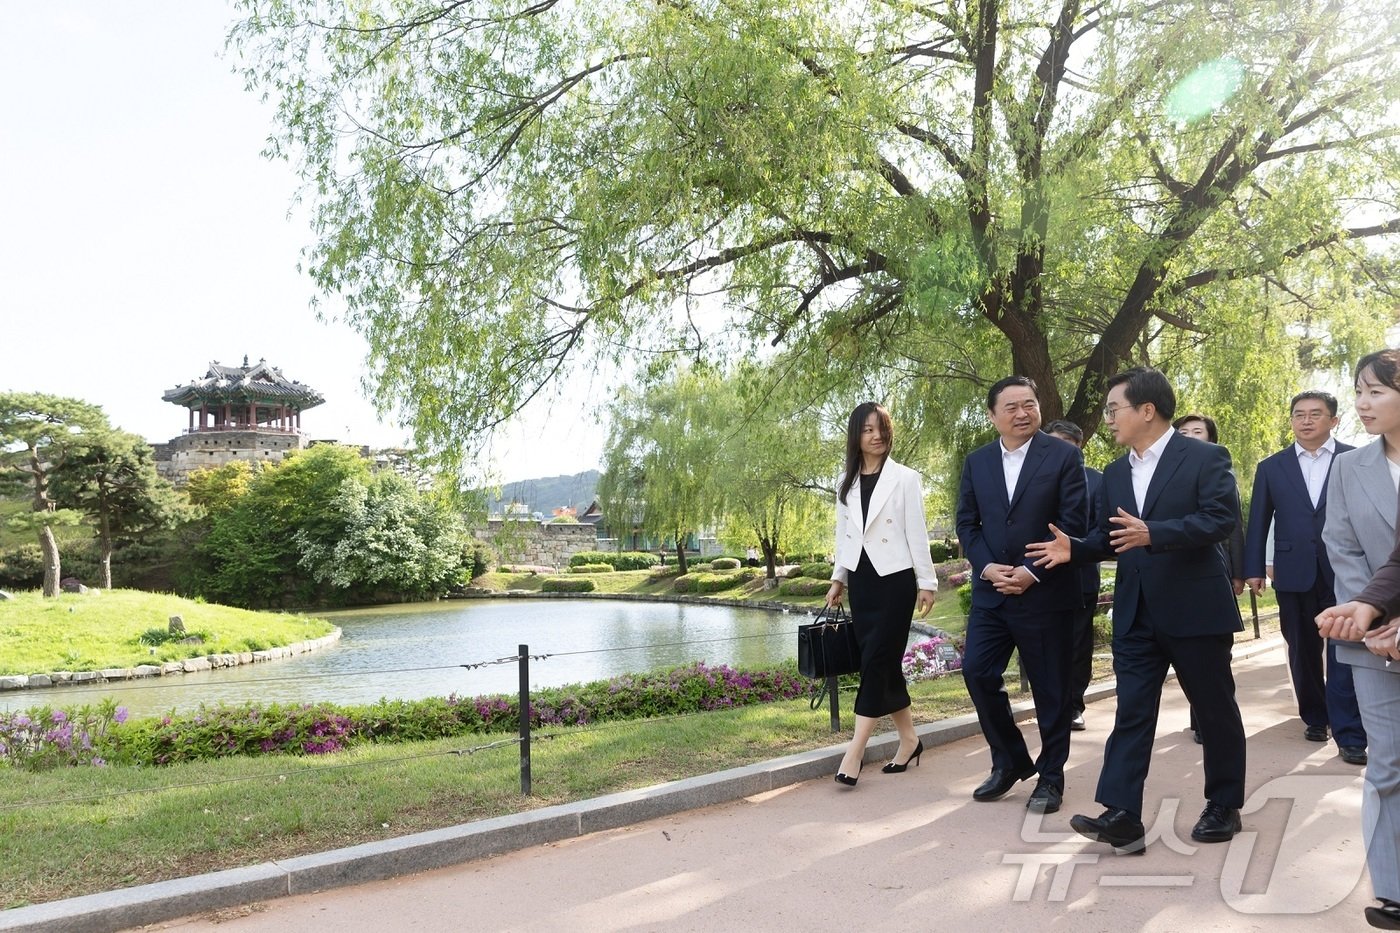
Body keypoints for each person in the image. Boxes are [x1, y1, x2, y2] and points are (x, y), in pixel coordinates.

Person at [1028, 367, 1246, 854]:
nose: (1108, 419)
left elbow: (1220, 519)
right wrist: (1075, 550)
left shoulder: (1205, 457)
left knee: (1213, 709)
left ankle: (1224, 804)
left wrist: (1156, 533)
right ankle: (1123, 814)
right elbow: (1111, 538)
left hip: (1196, 607)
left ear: (1147, 410)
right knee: (1131, 713)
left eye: (1113, 409)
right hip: (1135, 612)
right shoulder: (1115, 472)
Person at [955, 379, 1088, 814]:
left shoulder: (1064, 456)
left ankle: (1051, 778)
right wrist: (987, 567)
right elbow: (967, 524)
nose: (1022, 413)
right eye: (1010, 407)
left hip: (1045, 593)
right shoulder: (977, 462)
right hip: (992, 592)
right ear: (993, 415)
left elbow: (1074, 523)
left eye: (1029, 404)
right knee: (977, 672)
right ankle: (1010, 760)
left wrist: (1032, 572)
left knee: (1052, 691)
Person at [1318, 348, 1400, 929]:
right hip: (1371, 642)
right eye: (1359, 391)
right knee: (1388, 766)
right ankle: (1394, 889)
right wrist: (1368, 619)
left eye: (1376, 391)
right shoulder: (1349, 468)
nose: (1362, 403)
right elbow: (1341, 546)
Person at [1245, 391, 1365, 764]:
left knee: (1345, 647)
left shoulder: (1356, 459)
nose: (1307, 421)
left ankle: (1350, 734)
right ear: (1292, 420)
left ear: (1334, 420)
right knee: (1302, 648)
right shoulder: (1272, 467)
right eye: (1299, 414)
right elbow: (1259, 519)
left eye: (1316, 414)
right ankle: (1315, 717)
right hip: (1293, 571)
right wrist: (1252, 569)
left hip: (1345, 569)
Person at [826, 402, 938, 786]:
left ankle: (854, 752)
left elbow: (916, 531)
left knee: (875, 660)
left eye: (881, 429)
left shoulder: (905, 478)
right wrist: (838, 578)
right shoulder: (846, 481)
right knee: (883, 663)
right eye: (867, 430)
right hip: (862, 581)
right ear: (856, 436)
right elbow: (845, 537)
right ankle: (909, 740)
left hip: (895, 579)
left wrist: (928, 581)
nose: (876, 436)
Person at [1172, 412, 1247, 745]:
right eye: (1182, 432)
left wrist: (1238, 572)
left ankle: (1215, 717)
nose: (1189, 436)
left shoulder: (1220, 474)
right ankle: (1200, 717)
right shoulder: (1164, 474)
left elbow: (1233, 530)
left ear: (1211, 438)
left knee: (1216, 653)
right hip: (1174, 573)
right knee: (1187, 653)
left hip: (1214, 571)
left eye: (1196, 431)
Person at [1045, 419, 1102, 732]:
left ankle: (1074, 705)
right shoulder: (1035, 478)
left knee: (1079, 645)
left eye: (1069, 448)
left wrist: (1074, 548)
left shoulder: (1097, 481)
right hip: (1039, 578)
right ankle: (1050, 704)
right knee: (1044, 645)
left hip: (1080, 577)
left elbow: (1101, 532)